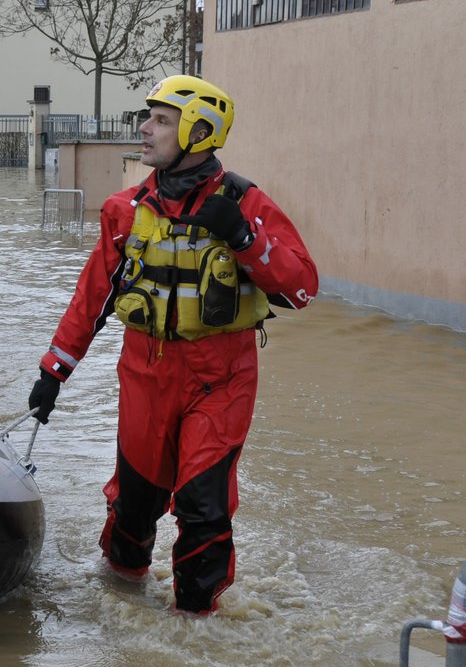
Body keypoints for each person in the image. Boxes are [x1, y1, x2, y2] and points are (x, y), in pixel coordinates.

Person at [26, 75, 318, 615]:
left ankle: (194, 625)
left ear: (200, 131)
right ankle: (122, 598)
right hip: (144, 374)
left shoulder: (246, 205)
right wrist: (54, 373)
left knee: (204, 507)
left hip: (220, 379)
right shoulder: (124, 211)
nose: (144, 128)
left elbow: (302, 288)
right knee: (133, 508)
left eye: (161, 120)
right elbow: (90, 299)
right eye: (149, 116)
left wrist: (245, 239)